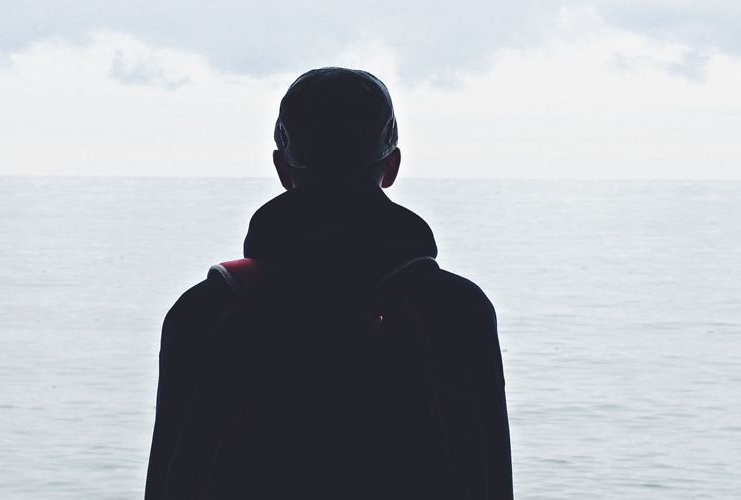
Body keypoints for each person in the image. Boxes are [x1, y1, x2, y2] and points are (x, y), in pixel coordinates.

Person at [145, 67, 513, 500]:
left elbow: (168, 483)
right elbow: (489, 479)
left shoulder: (203, 313)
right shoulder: (457, 311)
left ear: (282, 167)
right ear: (392, 166)